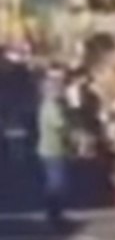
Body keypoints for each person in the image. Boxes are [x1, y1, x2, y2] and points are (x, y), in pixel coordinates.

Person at [37, 71, 71, 228]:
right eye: (59, 88)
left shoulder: (50, 105)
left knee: (56, 182)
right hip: (53, 149)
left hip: (52, 149)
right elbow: (60, 124)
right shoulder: (51, 106)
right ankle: (54, 215)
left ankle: (55, 213)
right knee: (56, 184)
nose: (62, 91)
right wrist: (71, 126)